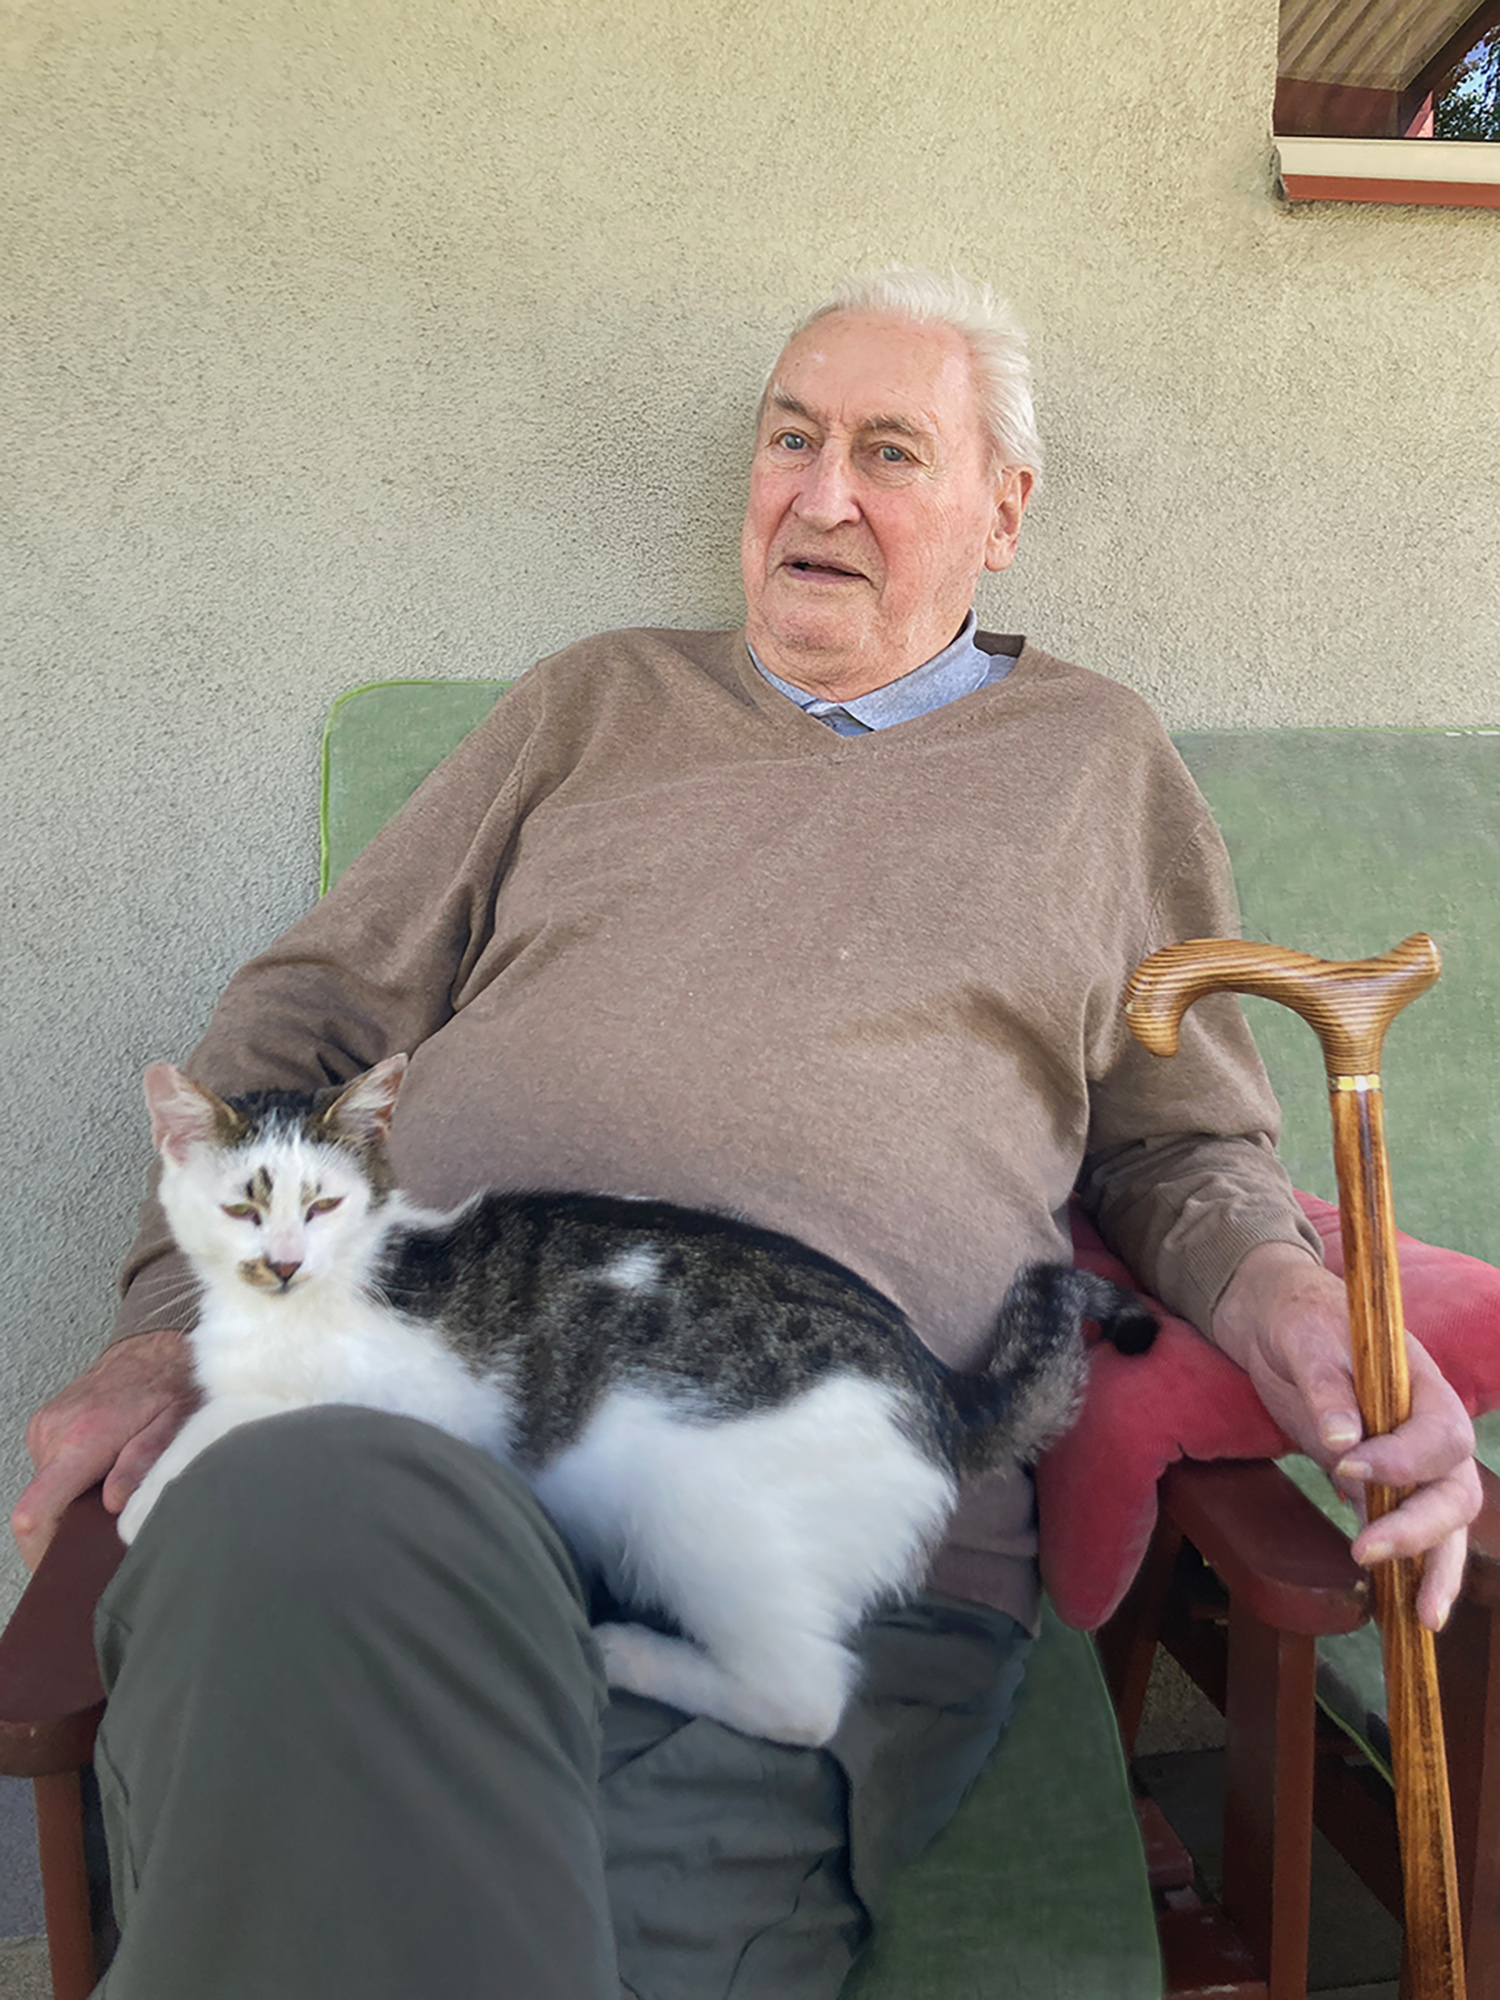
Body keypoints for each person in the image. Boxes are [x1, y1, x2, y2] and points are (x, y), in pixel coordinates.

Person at [14, 268, 1481, 2000]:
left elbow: (1180, 1149)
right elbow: (313, 1015)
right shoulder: (592, 705)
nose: (823, 492)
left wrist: (1288, 1301)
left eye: (889, 451)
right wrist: (167, 1326)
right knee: (283, 1539)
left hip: (789, 1517)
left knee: (614, 1927)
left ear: (1004, 513)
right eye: (793, 438)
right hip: (413, 1427)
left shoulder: (1093, 760)